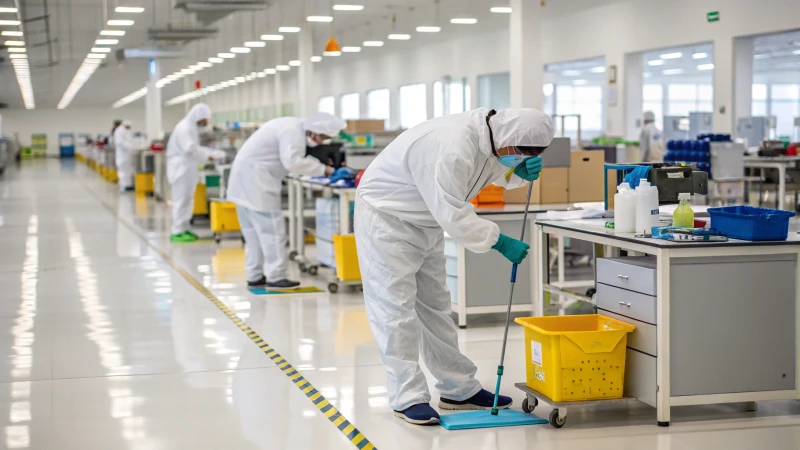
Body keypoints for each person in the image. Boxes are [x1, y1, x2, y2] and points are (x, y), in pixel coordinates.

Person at [354, 108, 554, 425]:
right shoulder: (453, 143)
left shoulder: (491, 140)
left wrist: (517, 174)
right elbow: (453, 212)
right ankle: (407, 396)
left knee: (436, 306)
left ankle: (458, 389)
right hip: (387, 221)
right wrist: (499, 241)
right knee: (395, 308)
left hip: (425, 221)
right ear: (509, 140)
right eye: (522, 154)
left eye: (534, 154)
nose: (523, 157)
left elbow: (487, 173)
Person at [227, 113, 346, 289]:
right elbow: (292, 162)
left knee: (253, 234)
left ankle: (254, 275)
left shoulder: (290, 126)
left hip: (244, 180)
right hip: (257, 183)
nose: (322, 142)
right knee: (273, 231)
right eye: (323, 137)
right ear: (315, 131)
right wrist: (326, 170)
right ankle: (276, 277)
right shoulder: (293, 131)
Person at [166, 103, 224, 243]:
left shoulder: (190, 127)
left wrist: (208, 154)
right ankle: (177, 231)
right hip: (181, 169)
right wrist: (209, 155)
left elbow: (193, 148)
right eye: (205, 120)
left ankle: (184, 228)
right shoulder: (185, 127)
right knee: (181, 200)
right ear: (199, 117)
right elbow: (190, 149)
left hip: (186, 168)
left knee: (187, 199)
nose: (205, 123)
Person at [114, 120, 134, 192]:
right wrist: (129, 146)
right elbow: (119, 142)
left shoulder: (127, 131)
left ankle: (128, 185)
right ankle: (123, 186)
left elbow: (130, 140)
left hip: (127, 154)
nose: (129, 128)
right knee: (122, 170)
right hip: (122, 154)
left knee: (128, 170)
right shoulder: (119, 131)